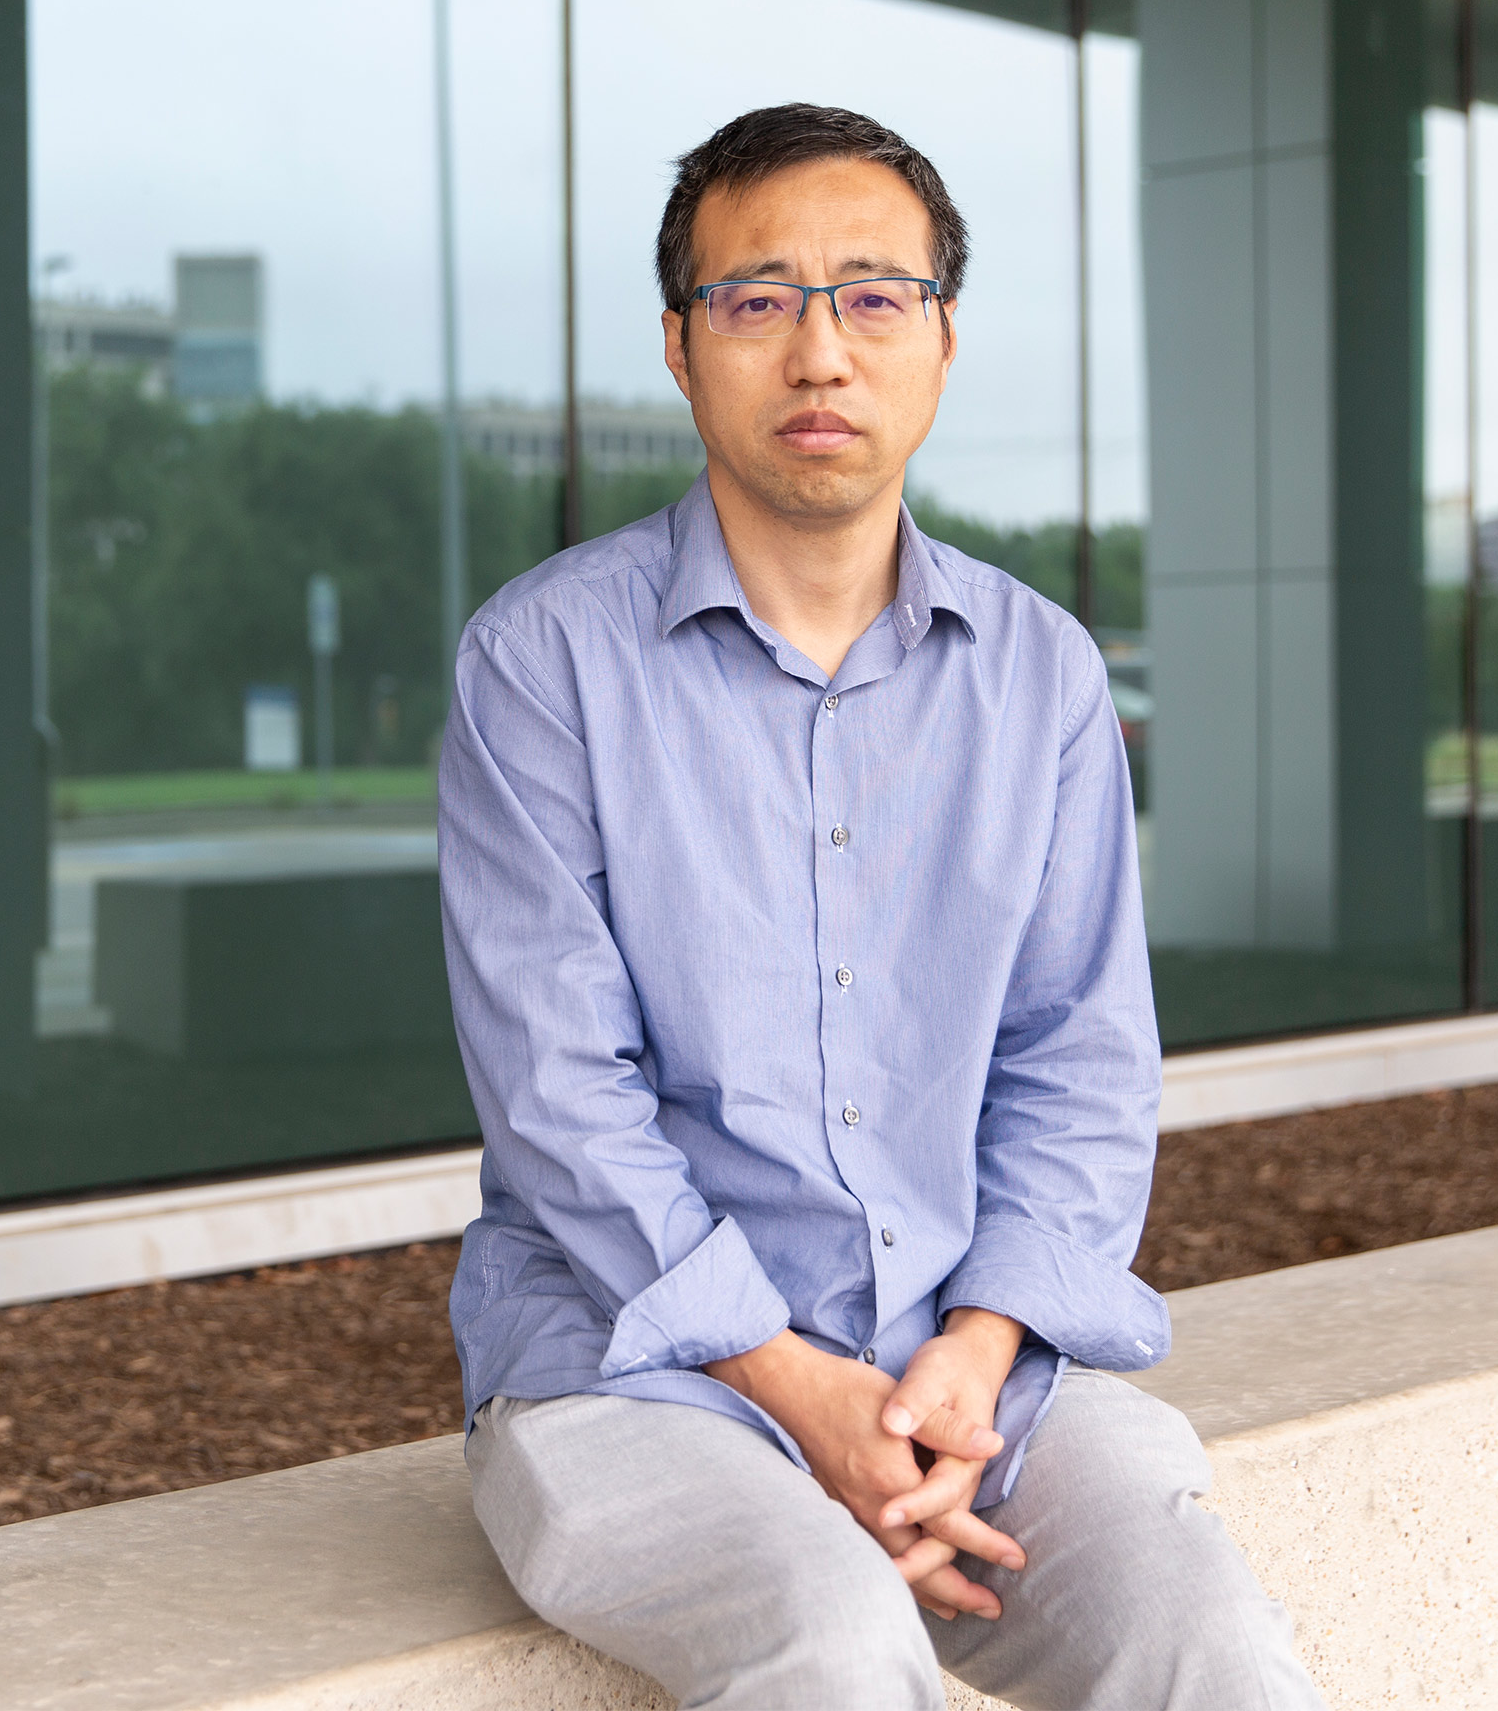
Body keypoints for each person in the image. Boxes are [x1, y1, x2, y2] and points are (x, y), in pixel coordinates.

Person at [436, 103, 1325, 1710]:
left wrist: (970, 1357)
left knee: (1210, 1646)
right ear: (682, 345)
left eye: (872, 296)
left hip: (968, 1375)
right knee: (834, 1653)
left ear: (941, 339)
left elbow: (1081, 1062)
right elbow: (560, 1094)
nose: (819, 352)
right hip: (639, 1374)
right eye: (758, 299)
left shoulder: (1042, 674)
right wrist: (798, 1395)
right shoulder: (543, 661)